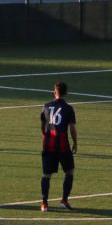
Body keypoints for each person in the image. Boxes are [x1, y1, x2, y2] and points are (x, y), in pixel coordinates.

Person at [39, 81, 78, 212]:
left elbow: (42, 126)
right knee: (69, 171)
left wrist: (46, 138)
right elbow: (72, 128)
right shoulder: (68, 108)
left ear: (54, 92)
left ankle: (44, 204)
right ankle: (64, 200)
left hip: (48, 144)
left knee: (46, 175)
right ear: (66, 93)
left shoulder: (45, 106)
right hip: (62, 146)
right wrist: (75, 142)